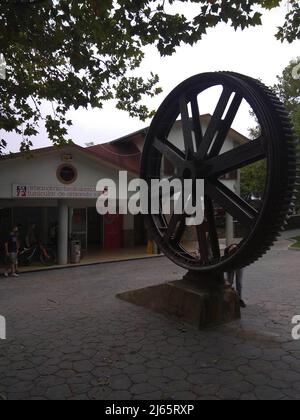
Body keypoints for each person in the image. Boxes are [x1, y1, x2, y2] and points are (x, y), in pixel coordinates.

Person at [224, 244, 246, 308]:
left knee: (239, 282)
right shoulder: (227, 252)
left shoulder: (241, 251)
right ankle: (228, 299)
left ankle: (239, 299)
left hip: (240, 264)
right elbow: (225, 263)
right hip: (230, 265)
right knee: (229, 282)